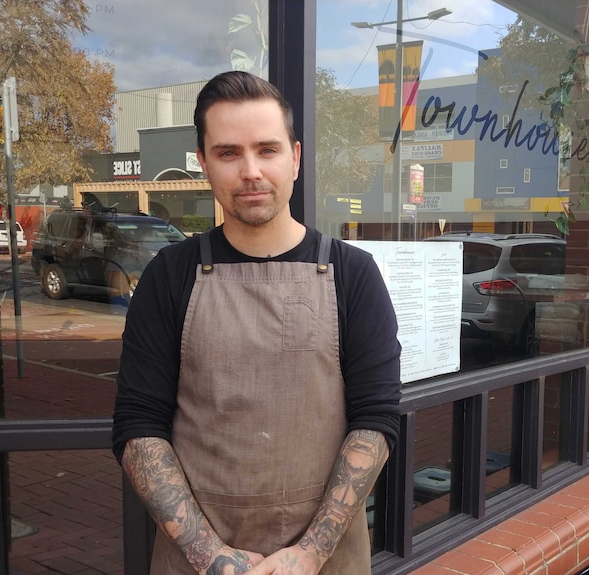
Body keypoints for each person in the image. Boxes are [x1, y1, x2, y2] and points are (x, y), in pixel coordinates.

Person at [112, 70, 402, 575]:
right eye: (228, 153)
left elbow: (375, 420)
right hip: (195, 559)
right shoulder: (170, 276)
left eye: (266, 150)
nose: (250, 171)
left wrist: (311, 551)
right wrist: (211, 556)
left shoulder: (352, 274)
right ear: (203, 163)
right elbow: (139, 428)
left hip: (327, 559)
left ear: (295, 157)